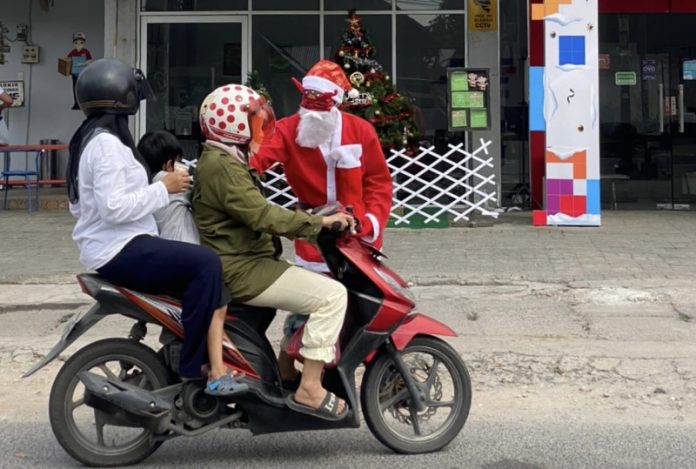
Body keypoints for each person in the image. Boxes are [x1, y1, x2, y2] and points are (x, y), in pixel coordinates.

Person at [66, 58, 246, 397]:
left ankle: (193, 350)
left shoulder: (88, 139)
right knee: (206, 263)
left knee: (199, 266)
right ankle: (197, 367)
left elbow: (81, 205)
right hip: (121, 249)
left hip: (116, 245)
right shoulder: (105, 145)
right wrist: (165, 188)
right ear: (123, 98)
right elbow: (113, 207)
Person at [192, 84, 355, 421]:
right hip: (241, 267)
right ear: (232, 125)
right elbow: (262, 215)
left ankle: (285, 370)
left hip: (246, 260)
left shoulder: (225, 159)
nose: (261, 128)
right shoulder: (222, 166)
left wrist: (316, 217)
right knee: (331, 296)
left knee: (309, 292)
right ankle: (310, 387)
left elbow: (257, 210)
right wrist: (318, 225)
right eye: (253, 122)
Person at [249, 60, 393, 381]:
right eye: (306, 101)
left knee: (360, 304)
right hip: (312, 231)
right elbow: (255, 162)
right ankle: (291, 367)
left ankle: (344, 365)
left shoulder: (360, 130)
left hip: (355, 233)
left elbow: (379, 183)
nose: (309, 112)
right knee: (311, 302)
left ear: (336, 102)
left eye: (318, 102)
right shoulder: (289, 129)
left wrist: (370, 222)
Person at [137, 130, 199, 244]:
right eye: (179, 162)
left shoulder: (143, 187)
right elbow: (202, 192)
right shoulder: (175, 184)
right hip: (185, 248)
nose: (183, 166)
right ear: (169, 165)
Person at [68, 32, 93, 110]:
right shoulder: (72, 52)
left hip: (83, 73)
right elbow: (68, 61)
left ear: (84, 43)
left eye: (81, 42)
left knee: (83, 88)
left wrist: (82, 64)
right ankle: (76, 103)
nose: (79, 44)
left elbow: (90, 61)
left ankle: (84, 103)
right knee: (75, 88)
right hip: (75, 73)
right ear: (74, 44)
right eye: (76, 43)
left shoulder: (86, 52)